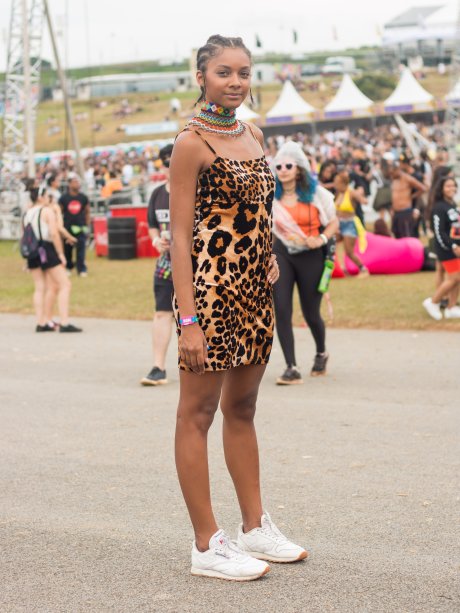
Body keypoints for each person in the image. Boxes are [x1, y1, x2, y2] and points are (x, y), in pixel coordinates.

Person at [169, 34, 307, 582]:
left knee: (243, 408)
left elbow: (254, 209)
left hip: (254, 292)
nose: (236, 82)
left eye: (244, 72)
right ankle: (207, 544)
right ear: (201, 75)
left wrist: (267, 255)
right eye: (224, 72)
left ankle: (255, 528)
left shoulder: (251, 132)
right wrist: (187, 319)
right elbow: (179, 235)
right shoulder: (191, 141)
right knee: (196, 413)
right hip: (208, 294)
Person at [272, 141, 338, 384]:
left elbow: (333, 223)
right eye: (278, 166)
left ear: (299, 168)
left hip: (311, 255)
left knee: (311, 313)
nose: (283, 170)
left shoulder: (318, 195)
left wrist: (320, 238)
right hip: (282, 254)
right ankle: (291, 367)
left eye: (288, 165)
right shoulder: (271, 196)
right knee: (281, 309)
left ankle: (321, 352)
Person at [23, 187, 82, 333]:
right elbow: (54, 233)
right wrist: (61, 254)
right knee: (64, 284)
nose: (49, 198)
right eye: (46, 195)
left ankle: (41, 321)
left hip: (32, 251)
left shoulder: (27, 213)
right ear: (40, 197)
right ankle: (64, 321)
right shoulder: (46, 211)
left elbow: (24, 235)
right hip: (46, 248)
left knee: (39, 286)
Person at [141, 144, 174, 386]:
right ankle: (158, 366)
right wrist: (155, 240)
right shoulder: (157, 193)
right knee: (162, 312)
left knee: (198, 315)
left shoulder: (197, 191)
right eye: (166, 163)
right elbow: (152, 223)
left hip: (195, 263)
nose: (169, 168)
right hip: (166, 262)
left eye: (173, 162)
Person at [423, 176, 460, 320]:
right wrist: (453, 245)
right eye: (448, 186)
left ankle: (451, 307)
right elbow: (440, 232)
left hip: (456, 247)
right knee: (454, 278)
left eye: (453, 186)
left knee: (458, 278)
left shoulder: (452, 205)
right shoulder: (438, 207)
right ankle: (433, 302)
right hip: (446, 248)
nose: (452, 189)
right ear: (441, 189)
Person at [334, 171, 369, 276]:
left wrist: (362, 198)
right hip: (339, 224)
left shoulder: (351, 193)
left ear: (343, 183)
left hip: (349, 224)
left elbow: (364, 201)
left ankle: (363, 269)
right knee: (332, 245)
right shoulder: (339, 193)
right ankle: (342, 268)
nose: (335, 185)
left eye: (337, 183)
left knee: (349, 252)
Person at [59, 175, 90, 276]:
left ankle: (81, 269)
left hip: (80, 227)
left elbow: (87, 212)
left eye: (78, 182)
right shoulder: (64, 198)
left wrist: (87, 225)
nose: (77, 184)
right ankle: (68, 267)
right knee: (67, 249)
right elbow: (59, 212)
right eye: (74, 182)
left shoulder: (83, 198)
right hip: (67, 228)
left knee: (81, 249)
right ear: (69, 184)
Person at [390, 162, 427, 239]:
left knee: (407, 236)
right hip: (397, 213)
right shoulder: (394, 179)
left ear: (398, 170)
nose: (392, 174)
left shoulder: (407, 178)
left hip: (405, 212)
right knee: (397, 236)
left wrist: (412, 196)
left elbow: (422, 188)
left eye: (394, 172)